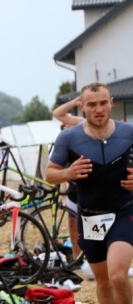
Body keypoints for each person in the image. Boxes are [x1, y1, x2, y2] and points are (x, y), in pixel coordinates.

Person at [45, 82, 133, 304]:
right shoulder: (68, 138)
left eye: (103, 103)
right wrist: (68, 172)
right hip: (90, 217)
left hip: (124, 211)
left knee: (118, 276)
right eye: (92, 104)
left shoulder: (129, 132)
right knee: (103, 282)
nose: (99, 109)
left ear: (111, 102)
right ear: (82, 107)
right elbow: (50, 174)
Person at [52, 97, 85, 262]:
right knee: (73, 226)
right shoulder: (66, 140)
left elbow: (60, 113)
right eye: (65, 126)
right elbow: (57, 113)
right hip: (74, 188)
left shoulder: (84, 124)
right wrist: (75, 101)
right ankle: (77, 258)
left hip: (91, 187)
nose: (68, 126)